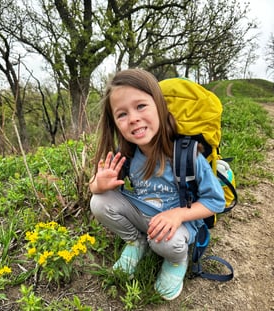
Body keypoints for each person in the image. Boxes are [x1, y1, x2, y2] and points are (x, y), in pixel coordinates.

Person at [89, 68, 225, 301]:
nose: (133, 118)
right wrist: (98, 184)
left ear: (160, 107)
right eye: (122, 114)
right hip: (147, 216)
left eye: (141, 106)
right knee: (99, 201)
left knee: (166, 242)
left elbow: (216, 202)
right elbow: (97, 190)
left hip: (178, 224)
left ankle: (175, 262)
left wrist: (178, 215)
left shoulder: (187, 155)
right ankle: (136, 241)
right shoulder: (128, 153)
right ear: (115, 123)